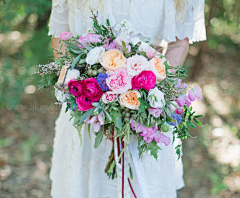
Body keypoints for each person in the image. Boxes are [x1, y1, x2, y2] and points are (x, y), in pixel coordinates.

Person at [48, 0, 206, 197]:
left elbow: (179, 42)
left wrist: (148, 94)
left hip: (145, 118)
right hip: (86, 112)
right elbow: (60, 36)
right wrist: (83, 90)